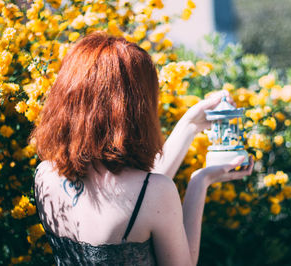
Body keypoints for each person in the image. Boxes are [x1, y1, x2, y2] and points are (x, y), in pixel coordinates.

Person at [32, 32, 254, 266]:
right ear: (134, 108)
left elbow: (136, 201)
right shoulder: (156, 193)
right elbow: (142, 200)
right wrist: (200, 181)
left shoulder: (44, 175)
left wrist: (189, 126)